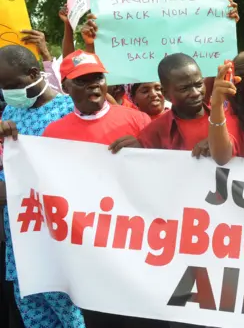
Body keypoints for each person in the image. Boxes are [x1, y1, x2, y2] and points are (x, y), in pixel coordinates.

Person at [0, 45, 83, 328]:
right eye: (1, 87)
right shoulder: (10, 112)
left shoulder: (69, 111)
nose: (6, 92)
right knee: (35, 315)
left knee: (72, 317)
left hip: (57, 241)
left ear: (35, 73)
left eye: (11, 85)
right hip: (21, 240)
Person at [42, 50, 150, 150]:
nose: (94, 85)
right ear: (65, 88)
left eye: (98, 78)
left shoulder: (139, 120)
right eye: (81, 81)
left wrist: (144, 149)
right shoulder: (53, 134)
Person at [136, 53, 211, 157]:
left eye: (199, 85)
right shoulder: (153, 134)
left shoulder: (227, 120)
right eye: (184, 88)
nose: (195, 93)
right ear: (165, 94)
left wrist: (221, 143)